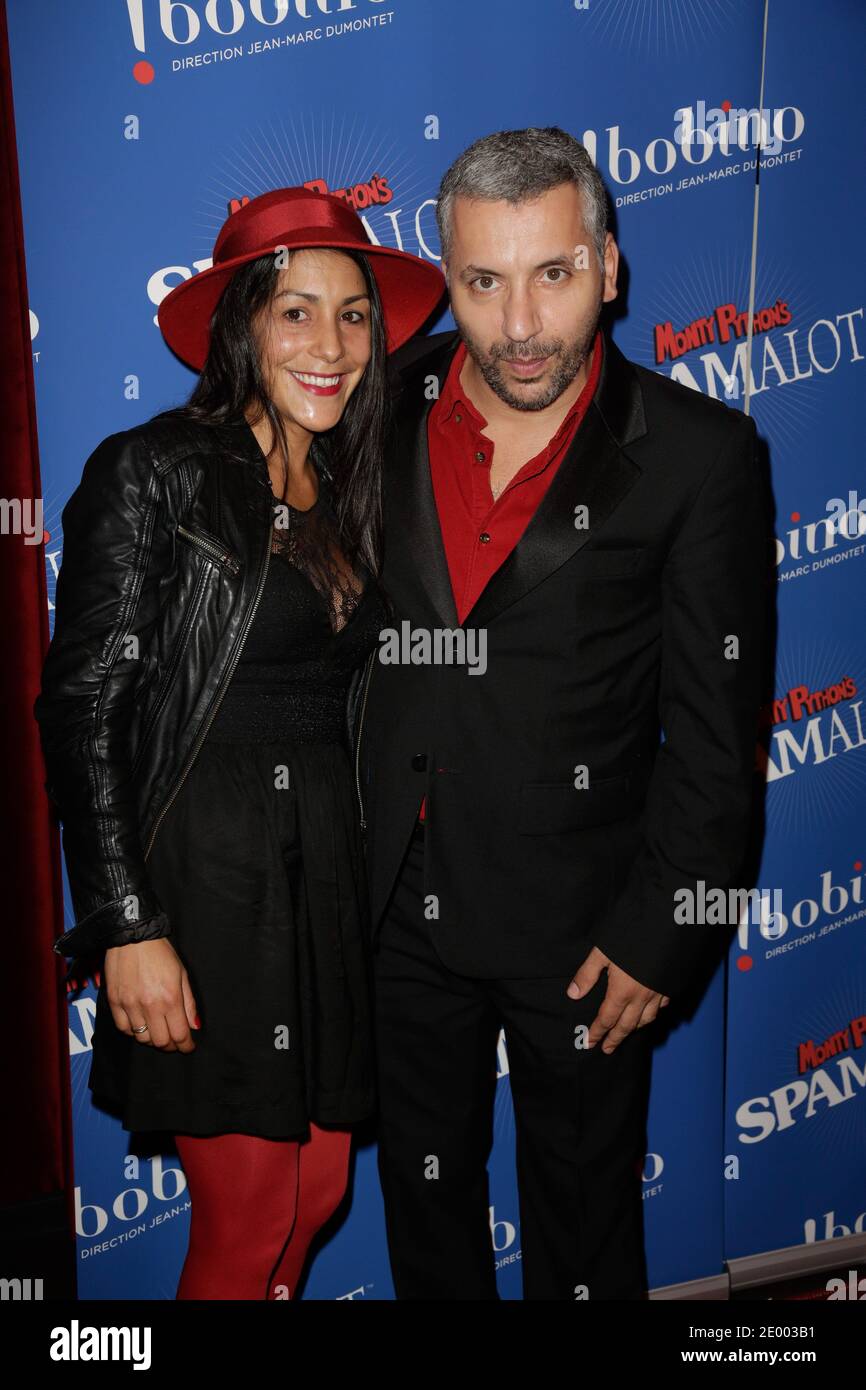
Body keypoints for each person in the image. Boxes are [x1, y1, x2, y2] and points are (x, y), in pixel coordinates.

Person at [354, 127, 770, 1299]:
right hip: (393, 908)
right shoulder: (387, 398)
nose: (519, 324)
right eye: (483, 282)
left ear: (610, 267)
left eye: (553, 273)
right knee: (425, 1220)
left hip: (584, 930)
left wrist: (662, 928)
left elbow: (716, 725)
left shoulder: (699, 456)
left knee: (584, 1233)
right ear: (446, 279)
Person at [33, 186, 444, 1300]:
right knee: (249, 1208)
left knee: (313, 1196)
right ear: (239, 325)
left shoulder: (346, 480)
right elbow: (82, 706)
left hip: (321, 870)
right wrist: (125, 923)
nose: (330, 344)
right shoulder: (152, 469)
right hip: (205, 880)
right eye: (294, 311)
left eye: (354, 314)